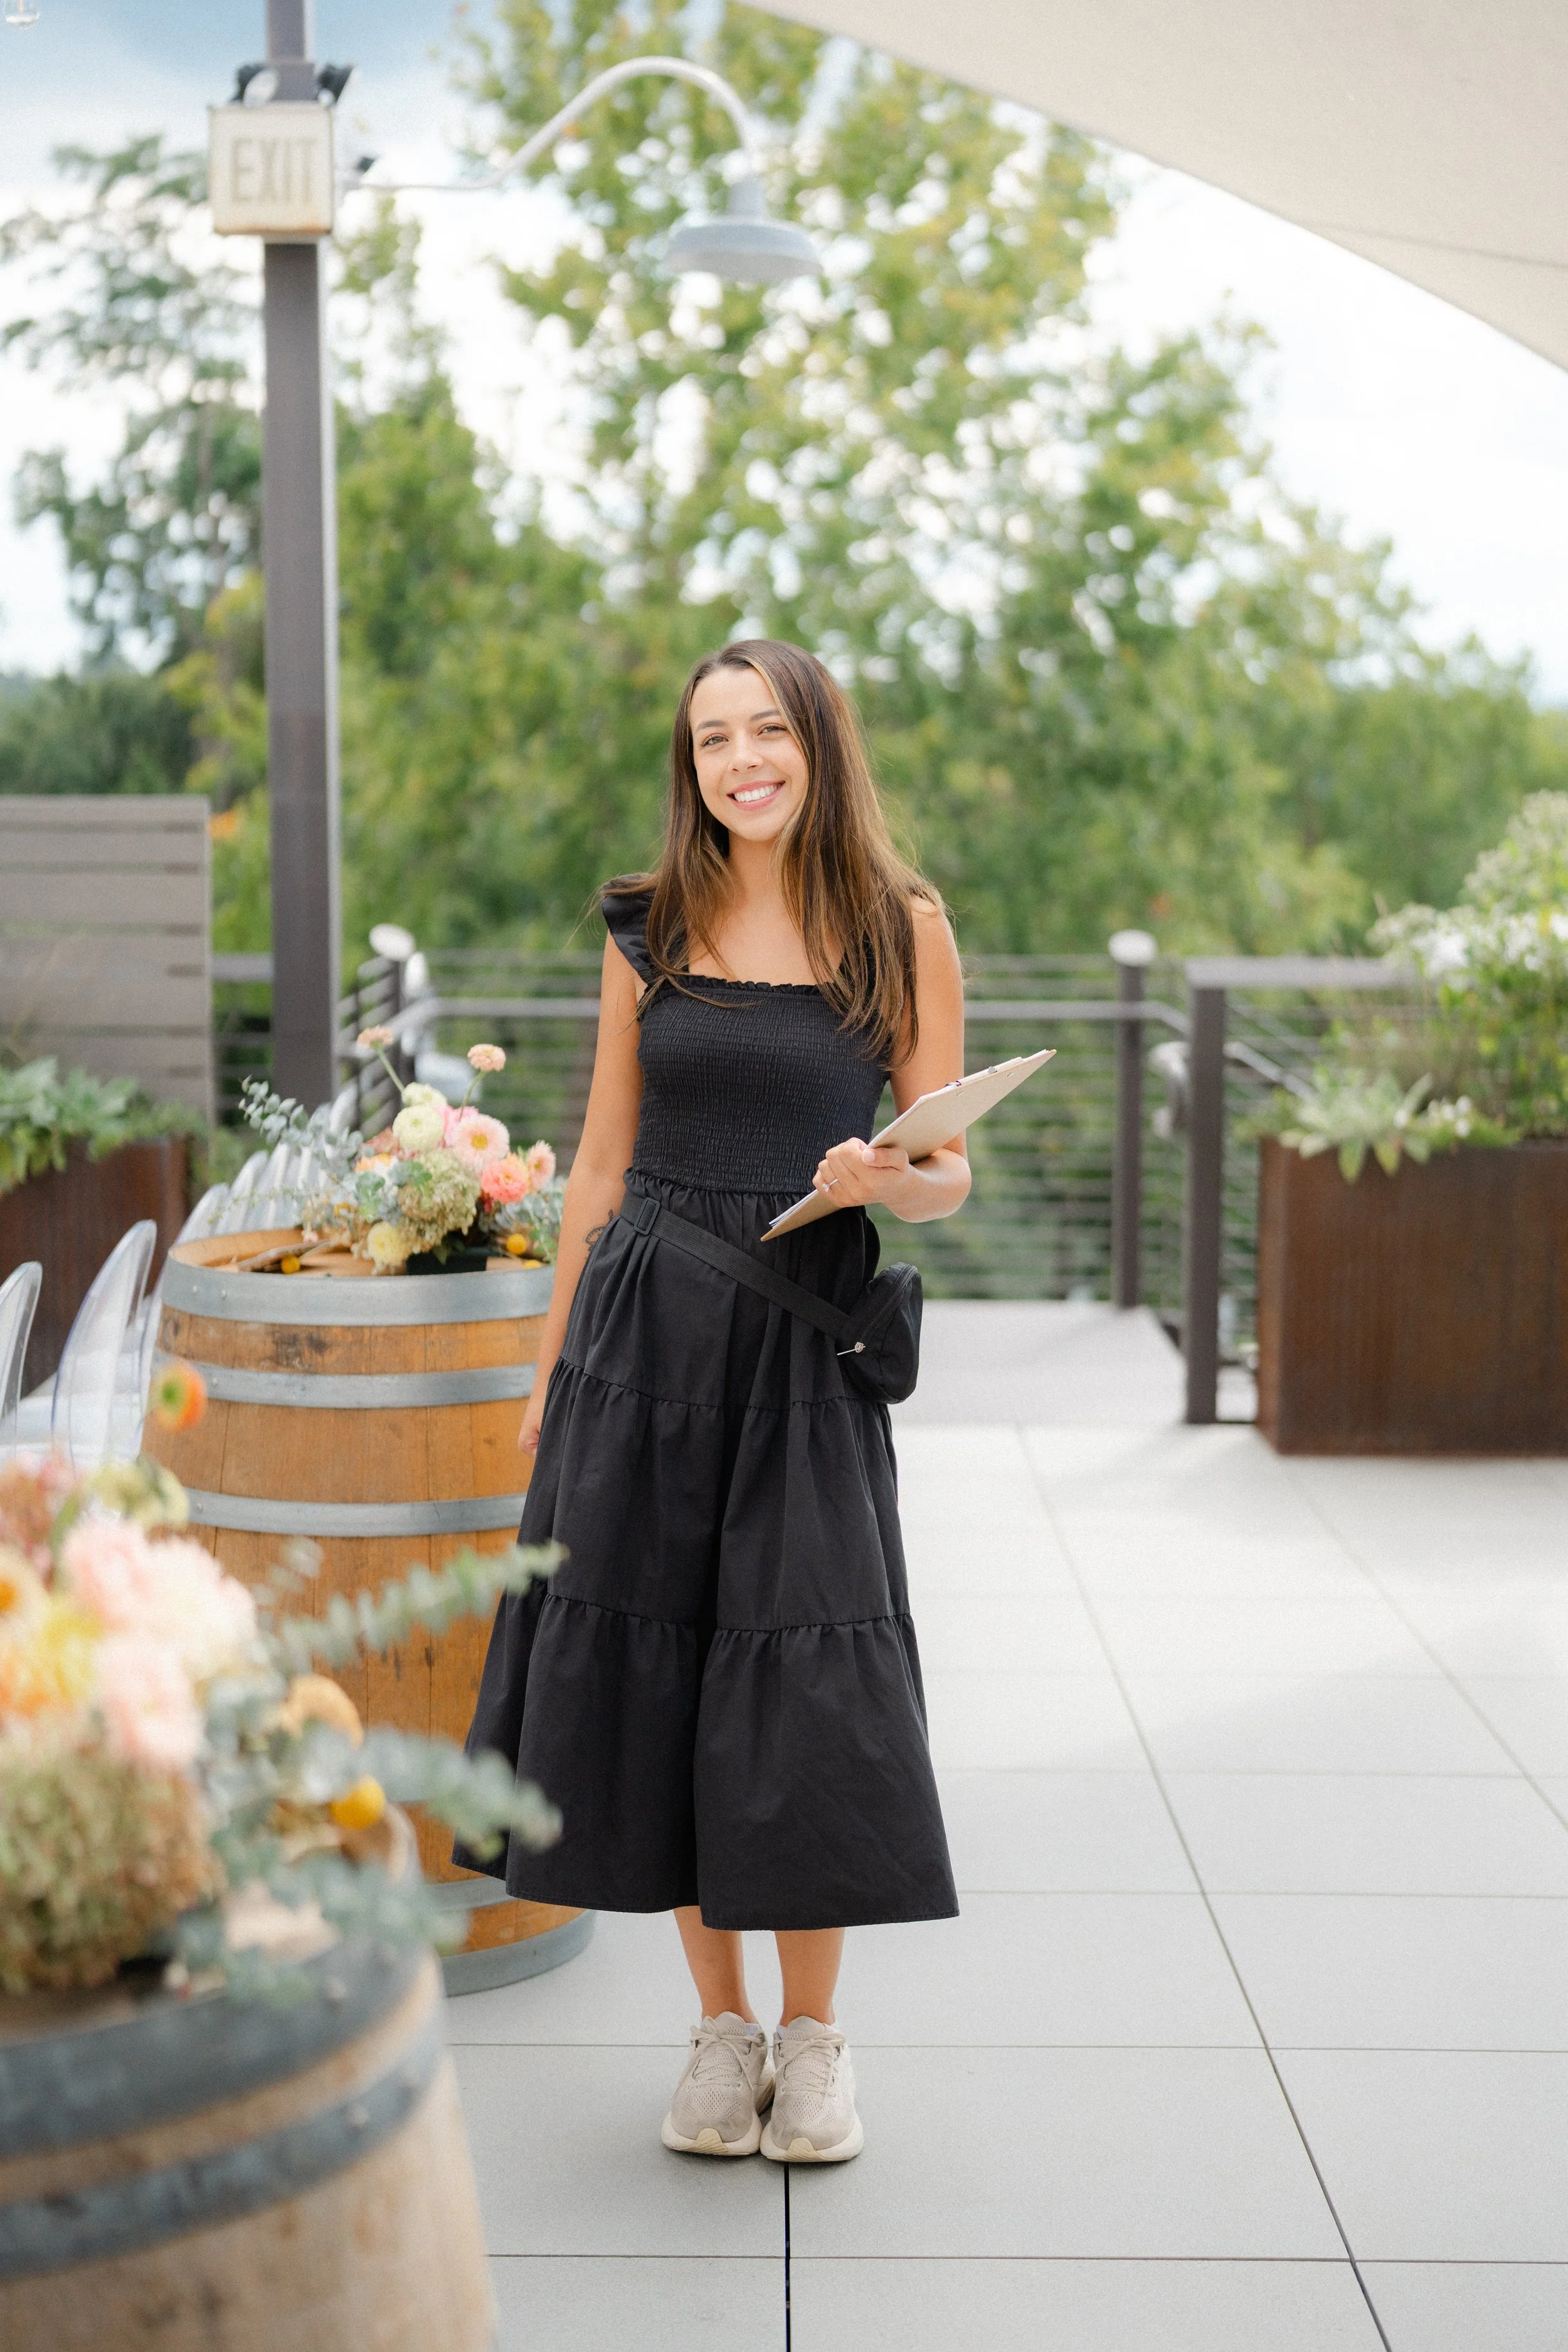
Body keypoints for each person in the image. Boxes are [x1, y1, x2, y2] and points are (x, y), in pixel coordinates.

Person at [461, 638, 967, 2164]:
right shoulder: (646, 928)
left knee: (799, 1690)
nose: (739, 760)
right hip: (646, 1338)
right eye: (710, 742)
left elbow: (945, 1172)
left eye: (765, 731)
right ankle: (718, 2031)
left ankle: (813, 2047)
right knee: (669, 1675)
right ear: (690, 770)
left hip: (802, 1350)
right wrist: (551, 1371)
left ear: (818, 741)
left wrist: (888, 1171)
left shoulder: (902, 927)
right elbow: (601, 1161)